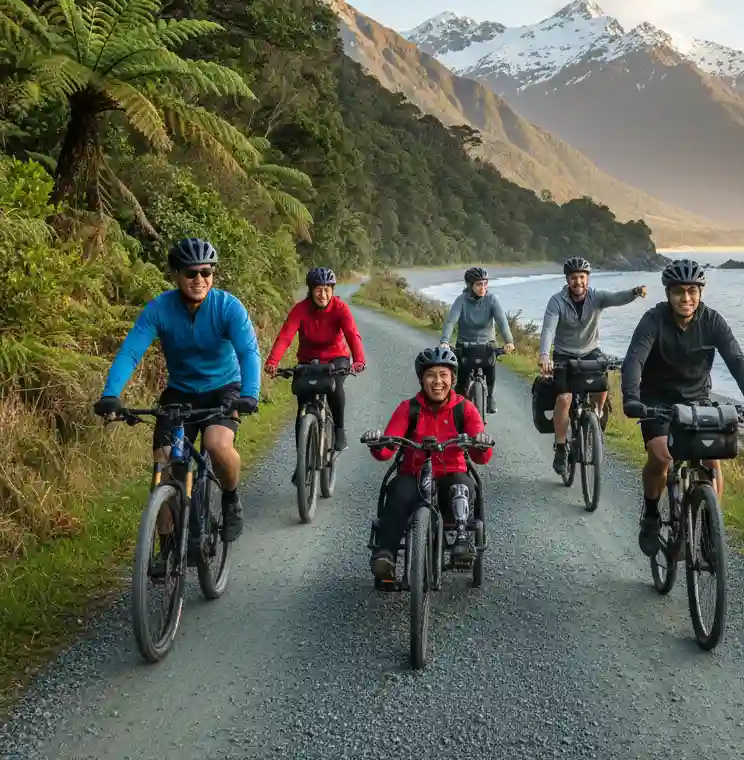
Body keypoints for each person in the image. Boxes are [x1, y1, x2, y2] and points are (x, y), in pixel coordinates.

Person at [93, 237, 260, 544]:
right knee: (165, 463)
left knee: (216, 444)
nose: (199, 279)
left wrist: (249, 394)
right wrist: (110, 395)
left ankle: (231, 499)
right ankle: (166, 543)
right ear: (176, 275)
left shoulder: (228, 307)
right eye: (190, 273)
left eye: (206, 272)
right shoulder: (160, 309)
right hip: (181, 391)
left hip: (224, 388)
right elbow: (131, 353)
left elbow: (248, 352)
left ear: (213, 274)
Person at [620, 258, 744, 558]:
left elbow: (736, 359)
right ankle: (651, 515)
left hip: (697, 400)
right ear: (668, 294)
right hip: (656, 402)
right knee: (661, 457)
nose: (686, 298)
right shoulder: (653, 320)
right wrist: (631, 398)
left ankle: (711, 532)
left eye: (692, 291)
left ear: (700, 292)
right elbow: (634, 359)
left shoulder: (712, 321)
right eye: (679, 292)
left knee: (713, 462)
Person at [364, 345, 492, 580]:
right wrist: (377, 443)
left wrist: (480, 443)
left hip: (451, 475)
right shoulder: (408, 409)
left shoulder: (465, 408)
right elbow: (386, 451)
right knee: (397, 492)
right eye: (431, 375)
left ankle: (462, 542)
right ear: (421, 379)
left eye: (443, 375)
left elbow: (480, 457)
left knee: (461, 487)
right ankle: (386, 555)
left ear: (452, 378)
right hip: (413, 475)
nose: (437, 382)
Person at [538, 256, 646, 475]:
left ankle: (595, 418)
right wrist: (544, 355)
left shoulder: (597, 297)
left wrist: (634, 292)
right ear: (568, 280)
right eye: (574, 278)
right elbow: (548, 329)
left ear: (588, 278)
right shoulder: (556, 301)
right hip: (564, 354)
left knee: (602, 386)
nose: (578, 282)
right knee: (564, 398)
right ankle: (560, 447)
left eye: (582, 277)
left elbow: (617, 297)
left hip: (591, 351)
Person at [264, 266, 366, 481]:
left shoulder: (340, 308)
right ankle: (302, 463)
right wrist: (273, 361)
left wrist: (358, 360)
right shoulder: (300, 309)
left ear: (333, 290)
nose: (323, 295)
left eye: (328, 289)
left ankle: (338, 429)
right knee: (303, 408)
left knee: (335, 387)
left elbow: (352, 334)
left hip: (336, 358)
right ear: (310, 291)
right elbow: (285, 336)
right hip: (308, 360)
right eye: (318, 290)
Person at [439, 266, 515, 414]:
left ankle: (491, 397)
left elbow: (502, 321)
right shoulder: (461, 300)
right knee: (462, 382)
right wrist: (445, 341)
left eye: (485, 283)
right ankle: (458, 409)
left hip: (487, 345)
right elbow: (450, 321)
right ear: (470, 285)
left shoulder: (492, 299)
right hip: (465, 344)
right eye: (479, 284)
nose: (483, 288)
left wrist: (509, 341)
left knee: (490, 368)